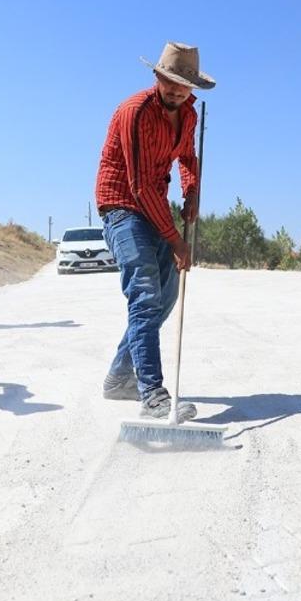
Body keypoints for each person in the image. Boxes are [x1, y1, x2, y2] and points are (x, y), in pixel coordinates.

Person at [94, 42, 211, 420]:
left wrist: (191, 192)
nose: (176, 90)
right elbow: (140, 185)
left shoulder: (189, 115)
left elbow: (188, 158)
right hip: (122, 206)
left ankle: (119, 378)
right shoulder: (136, 111)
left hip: (154, 208)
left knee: (165, 297)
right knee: (145, 295)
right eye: (170, 81)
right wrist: (176, 241)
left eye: (184, 85)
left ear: (192, 87)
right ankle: (153, 394)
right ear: (157, 76)